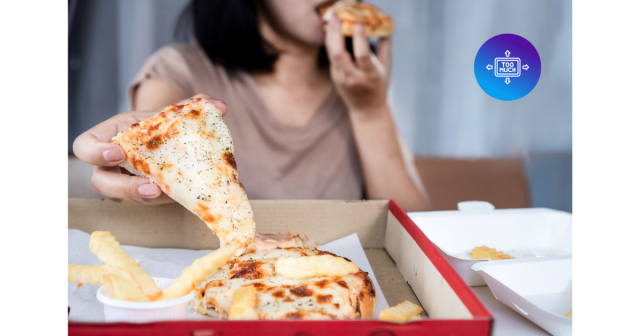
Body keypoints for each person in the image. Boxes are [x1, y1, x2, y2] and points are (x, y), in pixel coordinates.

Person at [73, 0, 430, 212]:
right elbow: (149, 142)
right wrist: (139, 152)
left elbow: (412, 224)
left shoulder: (360, 85)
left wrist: (369, 109)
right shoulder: (177, 70)